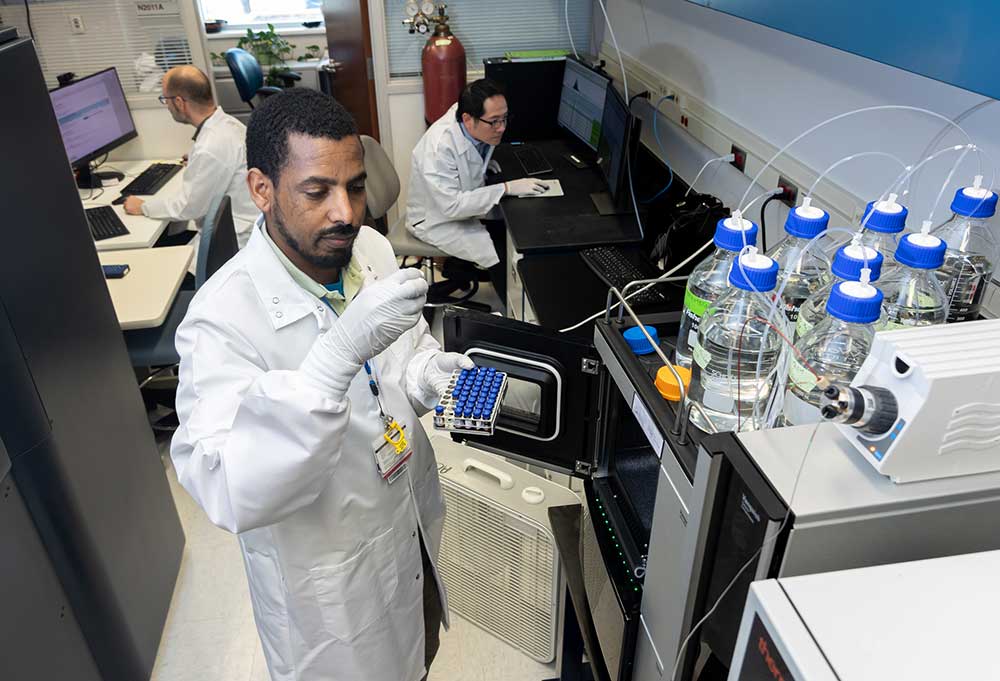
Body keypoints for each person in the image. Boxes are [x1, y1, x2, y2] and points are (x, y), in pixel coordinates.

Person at [170, 88, 473, 681]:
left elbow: (399, 364)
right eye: (317, 192)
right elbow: (227, 487)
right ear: (262, 190)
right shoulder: (221, 320)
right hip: (330, 589)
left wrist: (425, 372)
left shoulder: (372, 251)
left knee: (418, 653)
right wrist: (332, 362)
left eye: (355, 186)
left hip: (406, 528)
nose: (346, 213)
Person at [407, 78, 548, 305]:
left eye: (504, 118)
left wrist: (482, 164)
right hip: (435, 219)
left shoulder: (471, 121)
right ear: (467, 119)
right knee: (502, 252)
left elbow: (470, 159)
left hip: (460, 203)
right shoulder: (439, 147)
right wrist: (505, 188)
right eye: (494, 122)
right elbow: (452, 206)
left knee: (514, 230)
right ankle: (514, 314)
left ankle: (463, 267)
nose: (502, 128)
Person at [123, 65, 258, 248]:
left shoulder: (211, 146)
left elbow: (189, 207)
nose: (168, 106)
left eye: (166, 100)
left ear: (179, 102)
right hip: (240, 226)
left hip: (233, 241)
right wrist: (197, 162)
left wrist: (143, 207)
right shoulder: (227, 124)